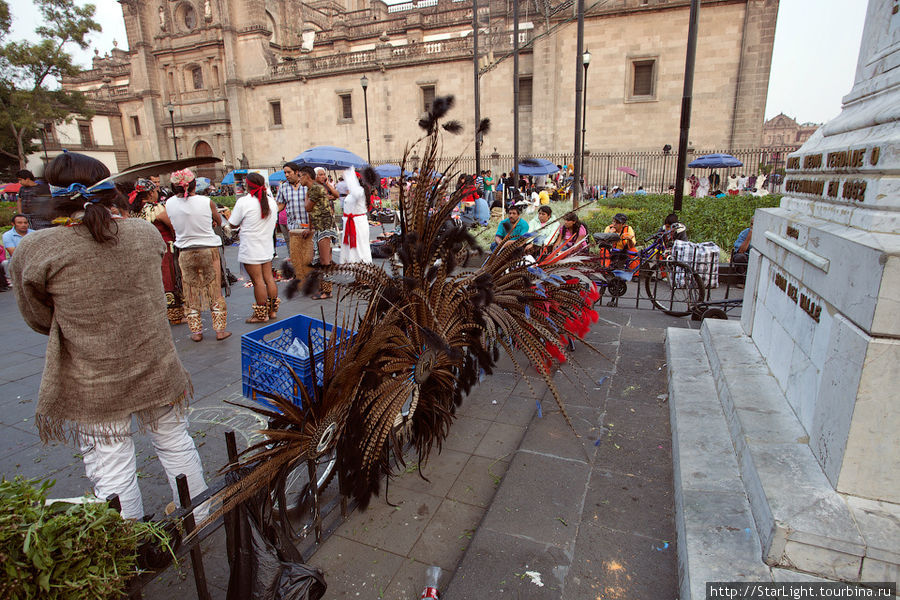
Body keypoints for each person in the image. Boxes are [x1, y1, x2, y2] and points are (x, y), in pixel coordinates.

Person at [9, 152, 207, 521]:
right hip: (154, 360)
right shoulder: (142, 233)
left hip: (94, 373)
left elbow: (38, 316)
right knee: (175, 441)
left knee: (110, 460)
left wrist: (81, 321)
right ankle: (201, 514)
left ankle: (128, 542)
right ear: (108, 189)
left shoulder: (38, 248)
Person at [166, 168, 232, 342]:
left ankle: (196, 332)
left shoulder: (170, 203)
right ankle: (219, 331)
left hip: (185, 251)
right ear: (194, 184)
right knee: (215, 290)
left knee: (190, 292)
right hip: (208, 249)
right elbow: (219, 221)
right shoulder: (205, 201)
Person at [129, 179, 186, 325]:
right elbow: (171, 226)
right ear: (150, 193)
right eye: (155, 191)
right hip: (164, 248)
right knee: (169, 279)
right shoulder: (155, 208)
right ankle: (175, 314)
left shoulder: (134, 211)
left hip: (143, 249)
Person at [227, 172, 279, 322]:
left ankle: (261, 315)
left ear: (248, 185)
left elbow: (233, 223)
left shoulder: (244, 202)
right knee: (269, 278)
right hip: (266, 246)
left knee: (258, 281)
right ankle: (272, 311)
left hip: (251, 247)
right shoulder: (271, 202)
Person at [299, 165, 337, 299]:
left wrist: (306, 196)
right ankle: (323, 289)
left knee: (325, 260)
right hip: (320, 227)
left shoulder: (315, 189)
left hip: (325, 227)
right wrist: (310, 228)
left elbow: (308, 208)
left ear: (307, 176)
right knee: (322, 259)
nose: (299, 180)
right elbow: (311, 212)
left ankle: (327, 291)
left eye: (300, 176)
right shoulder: (313, 189)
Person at [340, 168, 373, 264]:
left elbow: (355, 191)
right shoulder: (353, 192)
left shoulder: (359, 191)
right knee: (352, 247)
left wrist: (349, 175)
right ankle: (353, 266)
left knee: (360, 247)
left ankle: (362, 268)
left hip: (357, 224)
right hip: (350, 222)